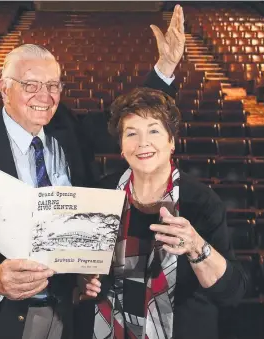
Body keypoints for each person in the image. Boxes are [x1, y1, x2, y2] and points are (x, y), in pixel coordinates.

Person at [0, 5, 186, 339]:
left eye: (53, 85)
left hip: (68, 313)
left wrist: (164, 68)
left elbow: (128, 118)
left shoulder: (67, 131)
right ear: (5, 88)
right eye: (31, 84)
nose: (45, 96)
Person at [74, 88, 248, 339]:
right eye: (131, 133)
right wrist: (84, 282)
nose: (143, 142)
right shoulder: (101, 194)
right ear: (121, 146)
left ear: (172, 141)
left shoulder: (201, 201)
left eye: (154, 130)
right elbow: (79, 273)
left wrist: (196, 247)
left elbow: (232, 292)